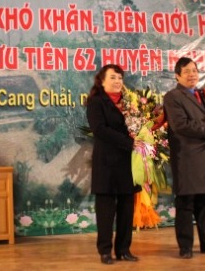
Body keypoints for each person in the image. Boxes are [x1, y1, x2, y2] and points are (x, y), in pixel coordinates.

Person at [162, 57, 205, 259]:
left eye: (195, 70)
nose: (192, 74)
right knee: (185, 203)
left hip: (203, 156)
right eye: (187, 71)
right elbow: (180, 125)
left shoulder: (201, 94)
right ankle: (185, 247)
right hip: (186, 156)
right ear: (177, 76)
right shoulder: (173, 96)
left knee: (203, 203)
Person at [86, 64, 140, 265]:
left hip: (128, 163)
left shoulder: (129, 102)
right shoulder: (96, 102)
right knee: (106, 211)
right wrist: (129, 142)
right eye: (113, 77)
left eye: (120, 77)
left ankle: (124, 249)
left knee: (127, 210)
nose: (117, 81)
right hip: (106, 164)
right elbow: (99, 129)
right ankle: (105, 251)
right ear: (101, 81)